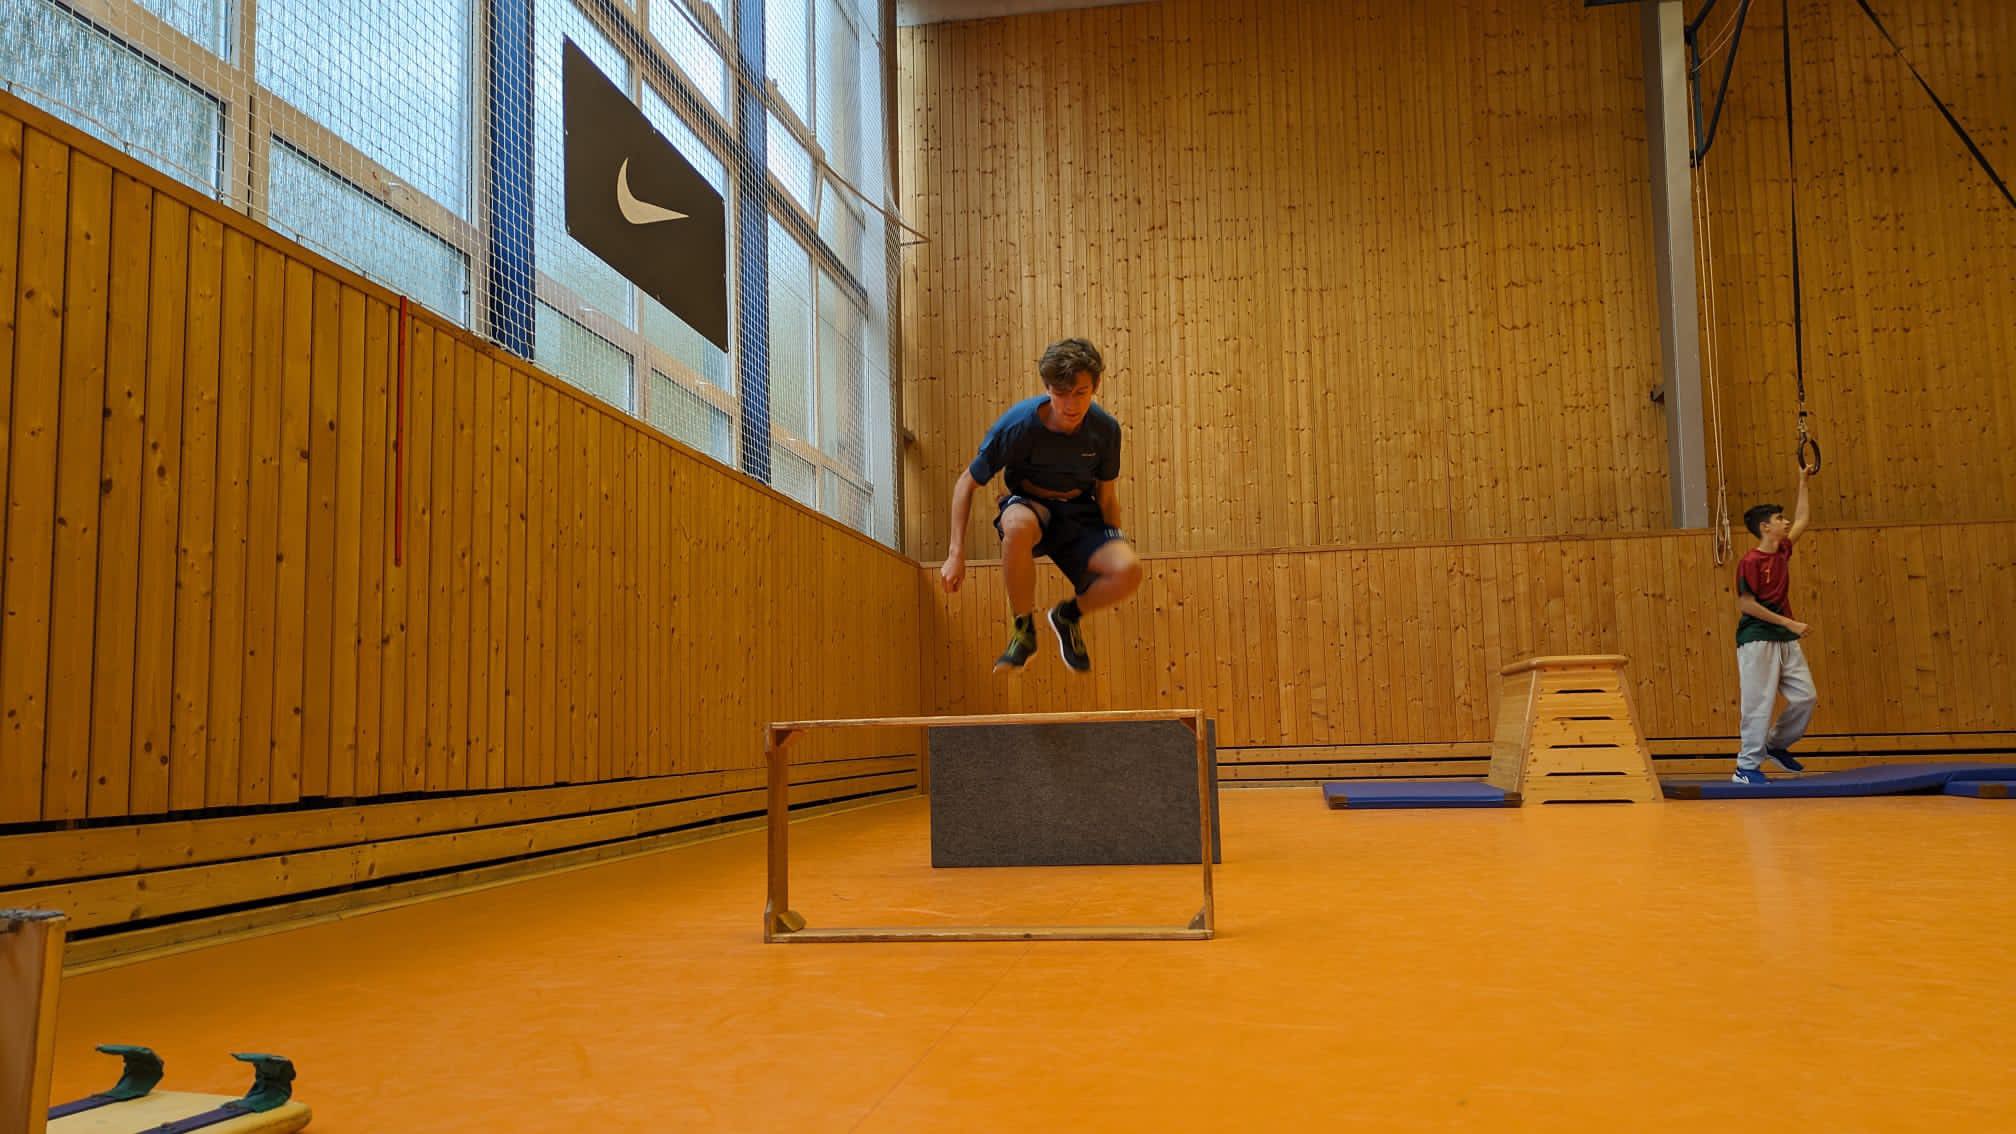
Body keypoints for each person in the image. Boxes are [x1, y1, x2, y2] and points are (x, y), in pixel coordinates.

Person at [938, 338, 1142, 673]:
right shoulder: (1018, 425)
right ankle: (1023, 630)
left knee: (1129, 571)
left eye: (1080, 392)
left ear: (1095, 387)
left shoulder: (1105, 430)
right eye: (1061, 393)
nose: (1071, 404)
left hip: (1078, 511)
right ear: (1047, 388)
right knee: (1016, 525)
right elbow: (966, 483)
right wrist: (955, 553)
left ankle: (1067, 616)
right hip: (1030, 505)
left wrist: (1113, 540)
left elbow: (1106, 496)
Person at [1731, 466, 1818, 784]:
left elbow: (1803, 520)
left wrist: (1803, 482)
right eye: (1780, 519)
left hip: (1784, 637)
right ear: (1765, 527)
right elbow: (1746, 604)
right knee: (1759, 703)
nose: (1786, 523)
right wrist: (1789, 623)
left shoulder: (1782, 551)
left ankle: (1775, 744)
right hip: (1757, 639)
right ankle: (1745, 768)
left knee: (1805, 697)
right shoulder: (1750, 562)